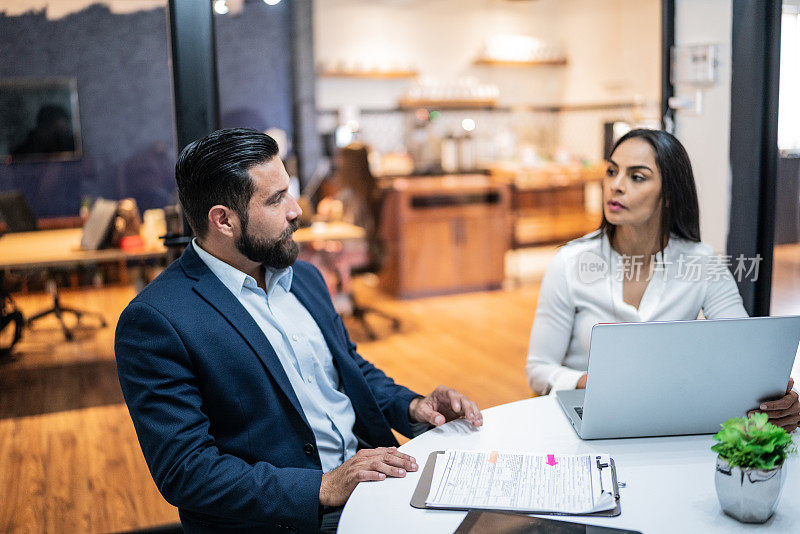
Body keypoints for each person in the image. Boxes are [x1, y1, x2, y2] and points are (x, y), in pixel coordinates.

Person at [115, 128, 483, 533]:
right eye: (276, 200)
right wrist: (323, 487)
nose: (296, 210)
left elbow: (348, 371)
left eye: (288, 192)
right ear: (223, 220)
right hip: (287, 517)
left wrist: (413, 408)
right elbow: (187, 471)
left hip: (375, 485)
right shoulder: (156, 320)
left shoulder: (303, 277)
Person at [525, 128, 799, 432]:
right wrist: (594, 383)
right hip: (582, 421)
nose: (615, 186)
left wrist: (776, 402)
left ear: (669, 195)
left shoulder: (703, 264)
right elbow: (539, 370)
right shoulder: (569, 263)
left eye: (637, 177)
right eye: (612, 171)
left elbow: (745, 359)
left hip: (671, 425)